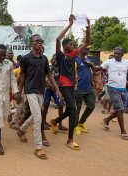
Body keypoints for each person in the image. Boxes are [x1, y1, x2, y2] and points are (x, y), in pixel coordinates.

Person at [50, 14, 90, 150]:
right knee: (73, 110)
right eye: (71, 44)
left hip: (72, 86)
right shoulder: (61, 56)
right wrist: (70, 24)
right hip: (64, 86)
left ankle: (55, 121)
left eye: (74, 44)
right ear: (65, 46)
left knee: (70, 110)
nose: (74, 46)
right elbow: (57, 39)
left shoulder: (73, 55)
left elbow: (87, 42)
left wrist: (88, 27)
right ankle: (70, 140)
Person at [18, 34, 60, 160]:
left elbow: (49, 74)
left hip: (41, 91)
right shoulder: (26, 58)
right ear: (31, 43)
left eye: (41, 41)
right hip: (30, 91)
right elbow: (23, 76)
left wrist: (56, 88)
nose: (40, 43)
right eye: (37, 41)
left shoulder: (44, 59)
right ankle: (38, 148)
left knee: (36, 115)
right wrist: (19, 92)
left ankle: (22, 130)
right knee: (37, 118)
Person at [74, 47, 96, 135]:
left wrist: (92, 85)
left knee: (91, 106)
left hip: (88, 88)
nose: (87, 50)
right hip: (78, 88)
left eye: (88, 49)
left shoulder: (88, 60)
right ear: (80, 49)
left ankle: (81, 122)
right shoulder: (75, 60)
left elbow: (90, 73)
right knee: (77, 109)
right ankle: (75, 126)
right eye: (86, 49)